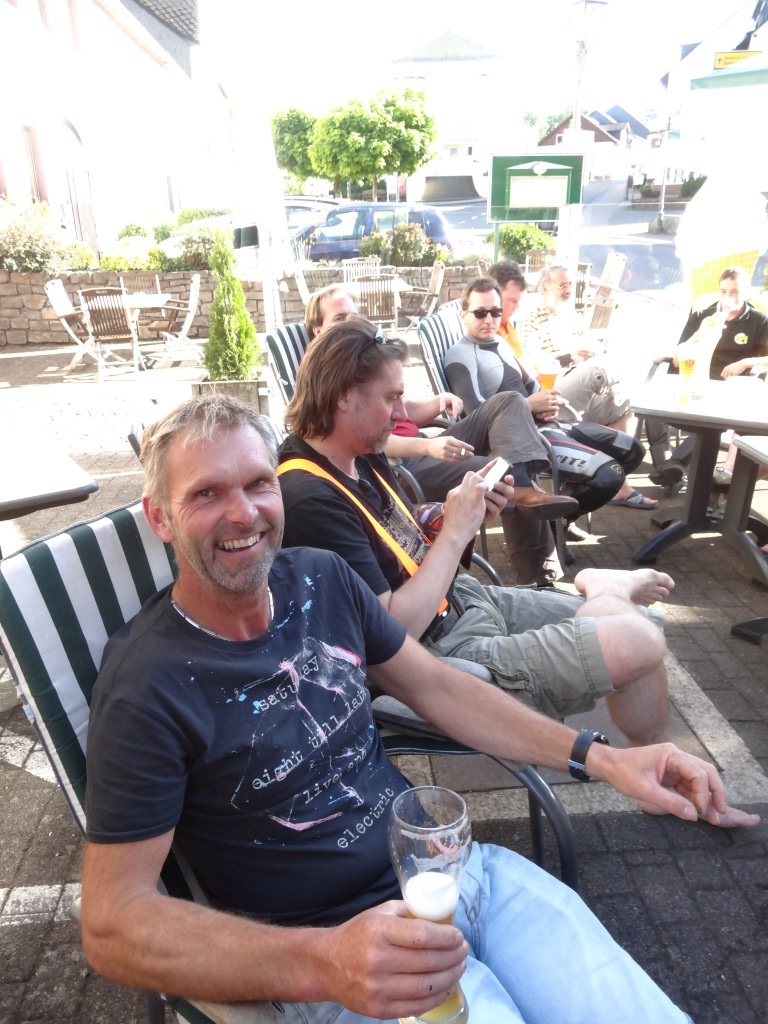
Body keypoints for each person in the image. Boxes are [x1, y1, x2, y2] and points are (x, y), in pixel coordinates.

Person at [82, 393, 756, 1024]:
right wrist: (321, 961)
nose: (244, 514)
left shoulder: (321, 578)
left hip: (458, 877)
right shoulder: (147, 686)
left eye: (259, 483)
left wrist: (605, 760)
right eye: (206, 493)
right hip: (347, 950)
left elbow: (437, 686)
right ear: (159, 517)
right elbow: (113, 923)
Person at [277, 314, 742, 758]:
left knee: (642, 625)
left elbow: (396, 537)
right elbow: (393, 634)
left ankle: (659, 771)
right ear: (344, 397)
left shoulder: (357, 449)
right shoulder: (309, 497)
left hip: (463, 599)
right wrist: (456, 533)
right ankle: (604, 591)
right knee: (638, 639)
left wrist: (451, 514)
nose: (402, 413)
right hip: (437, 652)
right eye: (391, 398)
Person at [306, 284, 575, 586]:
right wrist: (427, 447)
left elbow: (402, 408)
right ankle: (541, 577)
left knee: (509, 404)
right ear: (318, 330)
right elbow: (362, 442)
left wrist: (437, 401)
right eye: (341, 318)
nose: (353, 323)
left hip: (423, 445)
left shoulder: (366, 363)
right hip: (406, 465)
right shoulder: (326, 378)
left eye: (354, 315)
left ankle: (525, 491)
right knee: (504, 474)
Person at [447, 273, 657, 512]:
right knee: (609, 475)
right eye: (480, 313)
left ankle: (559, 511)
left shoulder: (500, 343)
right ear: (463, 315)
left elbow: (530, 384)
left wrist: (546, 404)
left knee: (633, 450)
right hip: (522, 440)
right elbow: (475, 416)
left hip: (546, 425)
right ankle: (557, 520)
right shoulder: (460, 355)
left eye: (495, 312)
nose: (489, 320)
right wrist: (530, 405)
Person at [646, 266, 768, 488]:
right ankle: (666, 465)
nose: (729, 297)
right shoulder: (703, 315)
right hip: (693, 380)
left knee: (710, 421)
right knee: (651, 408)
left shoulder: (758, 320)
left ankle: (673, 466)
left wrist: (746, 362)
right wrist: (703, 331)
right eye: (724, 291)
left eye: (735, 291)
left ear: (747, 291)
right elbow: (678, 358)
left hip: (727, 388)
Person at [516, 265, 636, 435]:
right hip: (552, 389)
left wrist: (593, 349)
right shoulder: (531, 318)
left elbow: (587, 340)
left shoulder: (569, 315)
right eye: (562, 285)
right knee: (598, 371)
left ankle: (602, 447)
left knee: (628, 406)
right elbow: (532, 361)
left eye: (570, 284)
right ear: (545, 287)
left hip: (578, 385)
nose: (568, 290)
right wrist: (570, 356)